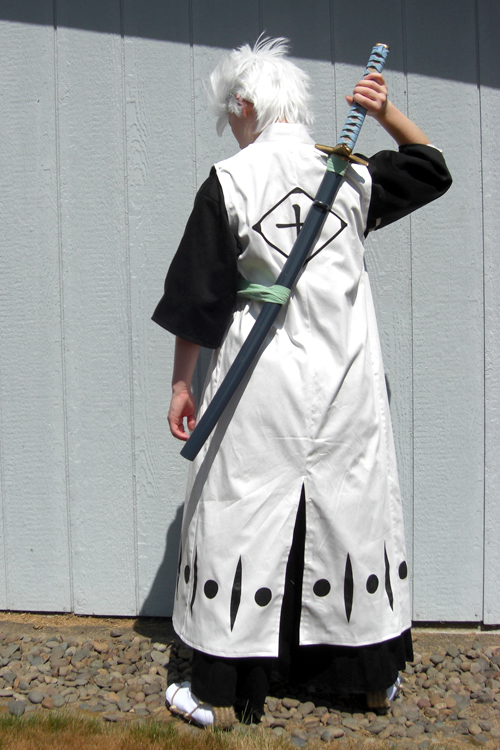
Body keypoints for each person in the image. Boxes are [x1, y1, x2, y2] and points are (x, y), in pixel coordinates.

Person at [152, 37, 452, 727]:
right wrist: (387, 112)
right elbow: (431, 168)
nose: (231, 129)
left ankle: (220, 693)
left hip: (258, 384)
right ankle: (370, 682)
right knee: (349, 509)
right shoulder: (348, 175)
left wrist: (181, 385)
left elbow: (198, 298)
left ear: (244, 105)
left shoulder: (230, 180)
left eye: (230, 116)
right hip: (347, 381)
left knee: (241, 511)